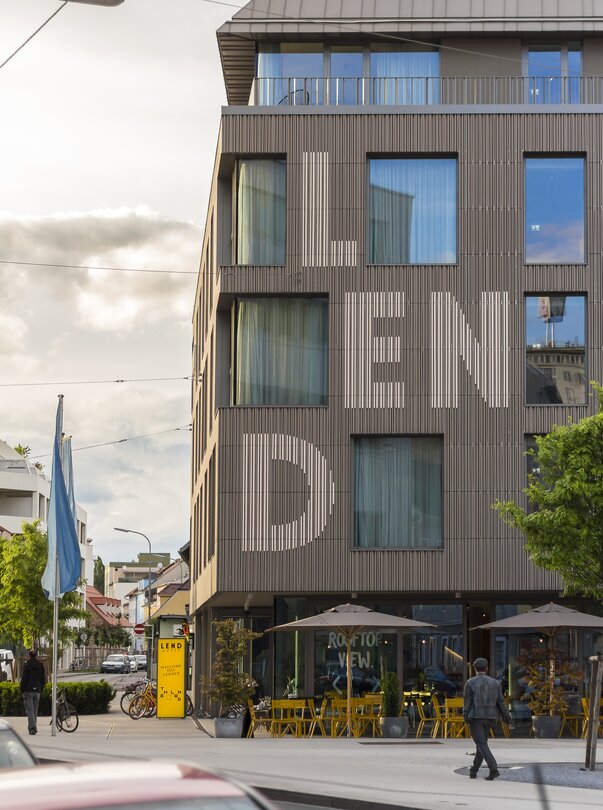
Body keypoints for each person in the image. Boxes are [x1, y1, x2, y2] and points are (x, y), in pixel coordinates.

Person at [463, 657, 512, 781]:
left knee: (481, 744)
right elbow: (501, 703)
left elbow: (467, 703)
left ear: (474, 669)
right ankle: (474, 770)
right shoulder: (495, 683)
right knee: (481, 744)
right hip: (491, 717)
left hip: (476, 717)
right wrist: (507, 718)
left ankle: (493, 769)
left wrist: (465, 716)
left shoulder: (470, 682)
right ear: (486, 668)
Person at [20, 649, 46, 735]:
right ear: (36, 656)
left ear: (29, 656)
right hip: (37, 691)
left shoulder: (27, 665)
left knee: (30, 710)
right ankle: (33, 726)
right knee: (35, 710)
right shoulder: (41, 665)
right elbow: (43, 679)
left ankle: (32, 727)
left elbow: (24, 678)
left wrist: (22, 689)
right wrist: (41, 689)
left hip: (28, 690)